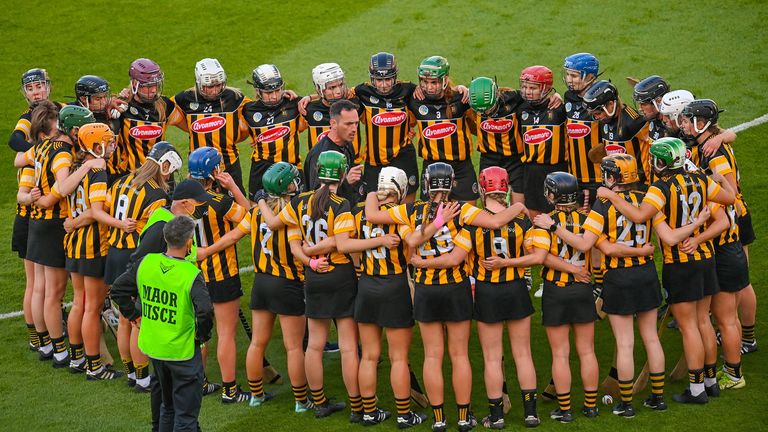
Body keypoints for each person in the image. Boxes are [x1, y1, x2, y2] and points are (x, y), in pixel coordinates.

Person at [364, 162, 526, 432]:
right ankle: (463, 418)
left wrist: (372, 193)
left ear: (426, 185)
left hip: (426, 290)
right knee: (459, 355)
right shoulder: (462, 209)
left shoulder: (411, 210)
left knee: (432, 356)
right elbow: (497, 220)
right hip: (456, 288)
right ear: (452, 184)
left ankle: (439, 419)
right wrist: (519, 206)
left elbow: (372, 215)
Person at [597, 137, 735, 404]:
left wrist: (612, 195)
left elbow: (639, 217)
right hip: (706, 258)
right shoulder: (700, 180)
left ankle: (696, 390)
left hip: (680, 263)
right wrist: (720, 181)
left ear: (662, 161)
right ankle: (710, 381)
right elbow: (729, 200)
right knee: (703, 321)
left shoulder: (659, 188)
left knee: (688, 327)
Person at [534, 155, 672, 416]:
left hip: (618, 277)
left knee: (625, 343)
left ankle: (627, 403)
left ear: (612, 177)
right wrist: (643, 250)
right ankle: (657, 397)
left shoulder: (602, 204)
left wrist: (553, 226)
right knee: (651, 338)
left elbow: (588, 244)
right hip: (646, 272)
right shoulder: (647, 198)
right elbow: (661, 236)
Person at [412, 166, 543, 428]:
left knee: (492, 357)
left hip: (486, 291)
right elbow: (537, 256)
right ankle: (530, 413)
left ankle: (496, 417)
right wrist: (511, 262)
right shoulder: (522, 220)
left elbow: (454, 259)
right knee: (523, 354)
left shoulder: (472, 223)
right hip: (516, 288)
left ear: (482, 189)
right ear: (505, 188)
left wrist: (420, 263)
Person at [199, 162, 313, 412]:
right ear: (285, 187)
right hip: (288, 283)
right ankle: (301, 400)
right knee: (293, 346)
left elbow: (231, 237)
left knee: (258, 343)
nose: (297, 184)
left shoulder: (257, 213)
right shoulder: (293, 212)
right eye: (293, 181)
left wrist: (206, 251)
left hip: (261, 283)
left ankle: (256, 395)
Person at [256, 151, 359, 420]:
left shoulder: (300, 200)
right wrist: (319, 249)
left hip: (313, 277)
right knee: (348, 346)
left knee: (313, 345)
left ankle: (319, 402)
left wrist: (261, 202)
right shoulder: (342, 203)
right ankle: (359, 406)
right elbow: (340, 241)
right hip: (339, 273)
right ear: (342, 173)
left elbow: (273, 222)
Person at [336, 166, 426, 427]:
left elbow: (345, 245)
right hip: (394, 286)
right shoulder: (400, 215)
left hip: (366, 286)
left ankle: (368, 411)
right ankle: (404, 415)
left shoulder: (357, 213)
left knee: (370, 356)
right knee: (399, 357)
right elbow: (413, 244)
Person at [111, 216, 213, 432]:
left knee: (167, 407)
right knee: (186, 417)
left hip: (155, 349)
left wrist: (134, 316)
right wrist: (201, 336)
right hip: (182, 352)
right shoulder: (190, 274)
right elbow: (205, 311)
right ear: (188, 243)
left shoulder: (146, 262)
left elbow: (118, 289)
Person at [95, 142, 182, 391]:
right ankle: (143, 378)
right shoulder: (156, 195)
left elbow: (106, 210)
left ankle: (132, 374)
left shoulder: (122, 181)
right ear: (165, 166)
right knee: (137, 321)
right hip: (135, 258)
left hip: (114, 253)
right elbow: (154, 233)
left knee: (123, 319)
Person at [679, 100, 749, 388]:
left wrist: (697, 237)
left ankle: (734, 375)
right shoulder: (709, 145)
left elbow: (730, 194)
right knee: (723, 317)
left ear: (700, 122)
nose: (682, 124)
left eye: (686, 120)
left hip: (724, 245)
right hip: (724, 245)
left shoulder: (715, 154)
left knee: (725, 318)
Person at [14, 102, 90, 366]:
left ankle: (46, 344)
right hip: (53, 223)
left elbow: (18, 160)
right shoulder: (62, 151)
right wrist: (86, 168)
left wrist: (34, 198)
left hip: (36, 224)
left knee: (41, 289)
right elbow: (64, 185)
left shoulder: (39, 148)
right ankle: (60, 351)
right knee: (54, 293)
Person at [528, 172, 598, 423]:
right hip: (582, 289)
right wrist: (580, 270)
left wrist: (569, 270)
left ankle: (565, 409)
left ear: (551, 194)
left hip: (556, 290)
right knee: (587, 351)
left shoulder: (542, 221)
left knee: (560, 353)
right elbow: (594, 251)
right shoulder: (590, 218)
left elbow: (542, 257)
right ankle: (591, 407)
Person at [185, 147, 250, 403]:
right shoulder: (219, 201)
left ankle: (199, 382)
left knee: (199, 333)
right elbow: (251, 214)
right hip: (222, 273)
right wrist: (233, 186)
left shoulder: (181, 200)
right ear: (214, 171)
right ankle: (230, 390)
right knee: (226, 334)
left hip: (192, 275)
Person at [61, 123, 122, 378]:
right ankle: (94, 365)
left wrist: (71, 224)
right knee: (92, 307)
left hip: (73, 244)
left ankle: (77, 359)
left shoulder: (76, 167)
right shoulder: (98, 171)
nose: (111, 146)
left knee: (78, 303)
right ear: (96, 146)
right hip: (93, 244)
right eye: (107, 142)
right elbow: (95, 212)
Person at [169, 58, 250, 194]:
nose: (214, 91)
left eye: (218, 85)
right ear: (199, 83)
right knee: (198, 208)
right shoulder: (185, 98)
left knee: (236, 207)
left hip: (229, 166)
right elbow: (162, 109)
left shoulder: (235, 97)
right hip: (198, 168)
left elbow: (259, 111)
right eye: (210, 87)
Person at [407, 56, 478, 203]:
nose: (429, 87)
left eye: (434, 82)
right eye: (425, 82)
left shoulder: (461, 99)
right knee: (432, 220)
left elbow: (478, 126)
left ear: (445, 80)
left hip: (461, 169)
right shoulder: (414, 100)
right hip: (431, 168)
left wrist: (463, 89)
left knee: (467, 219)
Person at [355, 52, 420, 202]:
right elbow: (334, 97)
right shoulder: (361, 92)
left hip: (403, 156)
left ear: (395, 77)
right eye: (379, 80)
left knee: (406, 209)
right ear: (372, 78)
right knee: (374, 209)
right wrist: (309, 98)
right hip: (374, 160)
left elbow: (439, 95)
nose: (383, 85)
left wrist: (462, 88)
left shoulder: (408, 90)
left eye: (388, 79)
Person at [243, 64, 307, 199]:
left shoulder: (293, 103)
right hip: (261, 168)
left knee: (298, 212)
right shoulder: (247, 109)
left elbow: (325, 101)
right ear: (258, 91)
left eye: (278, 90)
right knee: (258, 210)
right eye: (268, 93)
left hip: (292, 167)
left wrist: (307, 98)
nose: (274, 96)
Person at [517, 65, 568, 220]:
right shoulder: (521, 108)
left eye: (532, 88)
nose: (527, 91)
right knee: (534, 216)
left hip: (556, 171)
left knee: (557, 216)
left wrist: (559, 96)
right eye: (524, 87)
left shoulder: (560, 109)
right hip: (530, 172)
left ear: (546, 88)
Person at [113, 58, 177, 179]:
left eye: (155, 85)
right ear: (134, 84)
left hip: (161, 176)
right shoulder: (121, 106)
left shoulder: (164, 104)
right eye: (148, 86)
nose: (153, 90)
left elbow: (190, 125)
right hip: (131, 177)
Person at [582, 80, 651, 186]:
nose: (597, 117)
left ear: (610, 104)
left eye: (598, 113)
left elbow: (650, 150)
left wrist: (647, 185)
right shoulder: (604, 120)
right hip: (614, 184)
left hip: (636, 185)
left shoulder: (633, 121)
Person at [302, 99, 364, 205]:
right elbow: (317, 197)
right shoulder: (321, 155)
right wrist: (346, 183)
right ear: (333, 124)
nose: (354, 129)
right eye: (348, 124)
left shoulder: (347, 144)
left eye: (356, 123)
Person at [303, 63, 364, 164]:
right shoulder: (308, 109)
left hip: (353, 169)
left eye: (340, 85)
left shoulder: (355, 102)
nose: (338, 91)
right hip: (320, 173)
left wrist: (311, 96)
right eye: (332, 88)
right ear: (319, 89)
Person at [562, 53, 602, 209]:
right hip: (574, 176)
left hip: (598, 178)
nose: (569, 79)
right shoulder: (569, 97)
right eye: (567, 74)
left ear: (590, 76)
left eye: (574, 75)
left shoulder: (603, 97)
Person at [632, 75, 671, 141]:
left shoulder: (674, 127)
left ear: (659, 101)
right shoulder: (652, 119)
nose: (640, 108)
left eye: (644, 104)